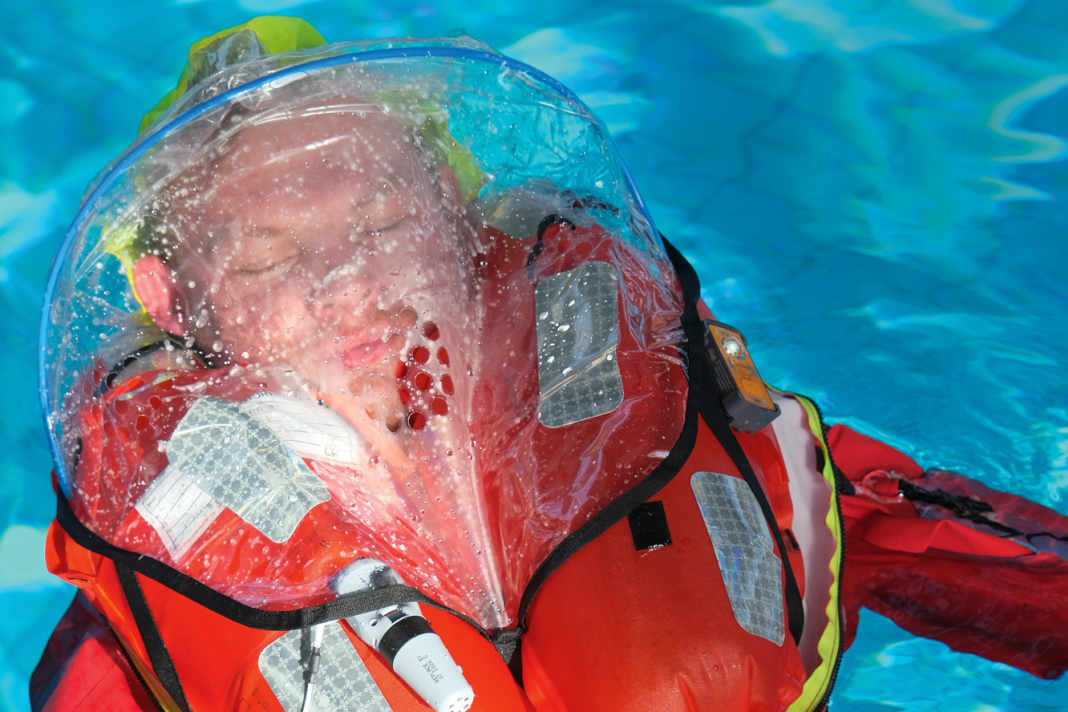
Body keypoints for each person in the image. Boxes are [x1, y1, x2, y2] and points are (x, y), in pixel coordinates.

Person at [31, 16, 1068, 712]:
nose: (347, 284)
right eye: (269, 259)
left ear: (456, 212)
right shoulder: (167, 583)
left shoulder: (649, 411)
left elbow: (940, 545)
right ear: (177, 303)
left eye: (384, 220)